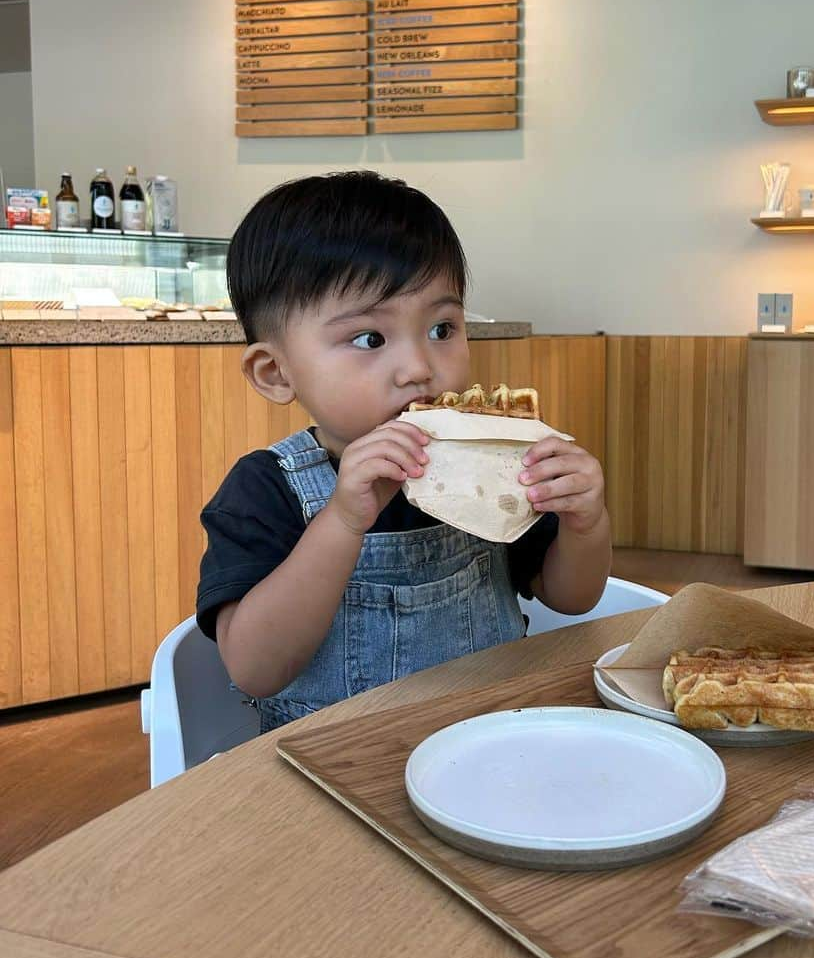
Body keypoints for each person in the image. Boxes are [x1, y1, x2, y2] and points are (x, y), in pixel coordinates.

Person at [196, 171, 611, 732]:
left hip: (490, 740)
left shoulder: (493, 467)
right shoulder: (266, 488)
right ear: (275, 372)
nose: (420, 367)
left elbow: (570, 597)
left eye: (442, 328)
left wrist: (585, 523)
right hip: (333, 761)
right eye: (370, 338)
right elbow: (255, 669)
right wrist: (343, 520)